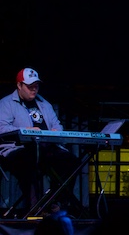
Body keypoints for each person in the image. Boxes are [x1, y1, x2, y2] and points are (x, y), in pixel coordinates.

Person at [0, 68, 81, 214]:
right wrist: (26, 130)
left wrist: (56, 132)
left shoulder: (45, 103)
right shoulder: (6, 103)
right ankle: (34, 209)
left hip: (46, 147)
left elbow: (57, 124)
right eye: (30, 86)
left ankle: (56, 204)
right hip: (18, 149)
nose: (34, 90)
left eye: (36, 86)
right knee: (29, 163)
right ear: (19, 85)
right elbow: (2, 128)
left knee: (71, 162)